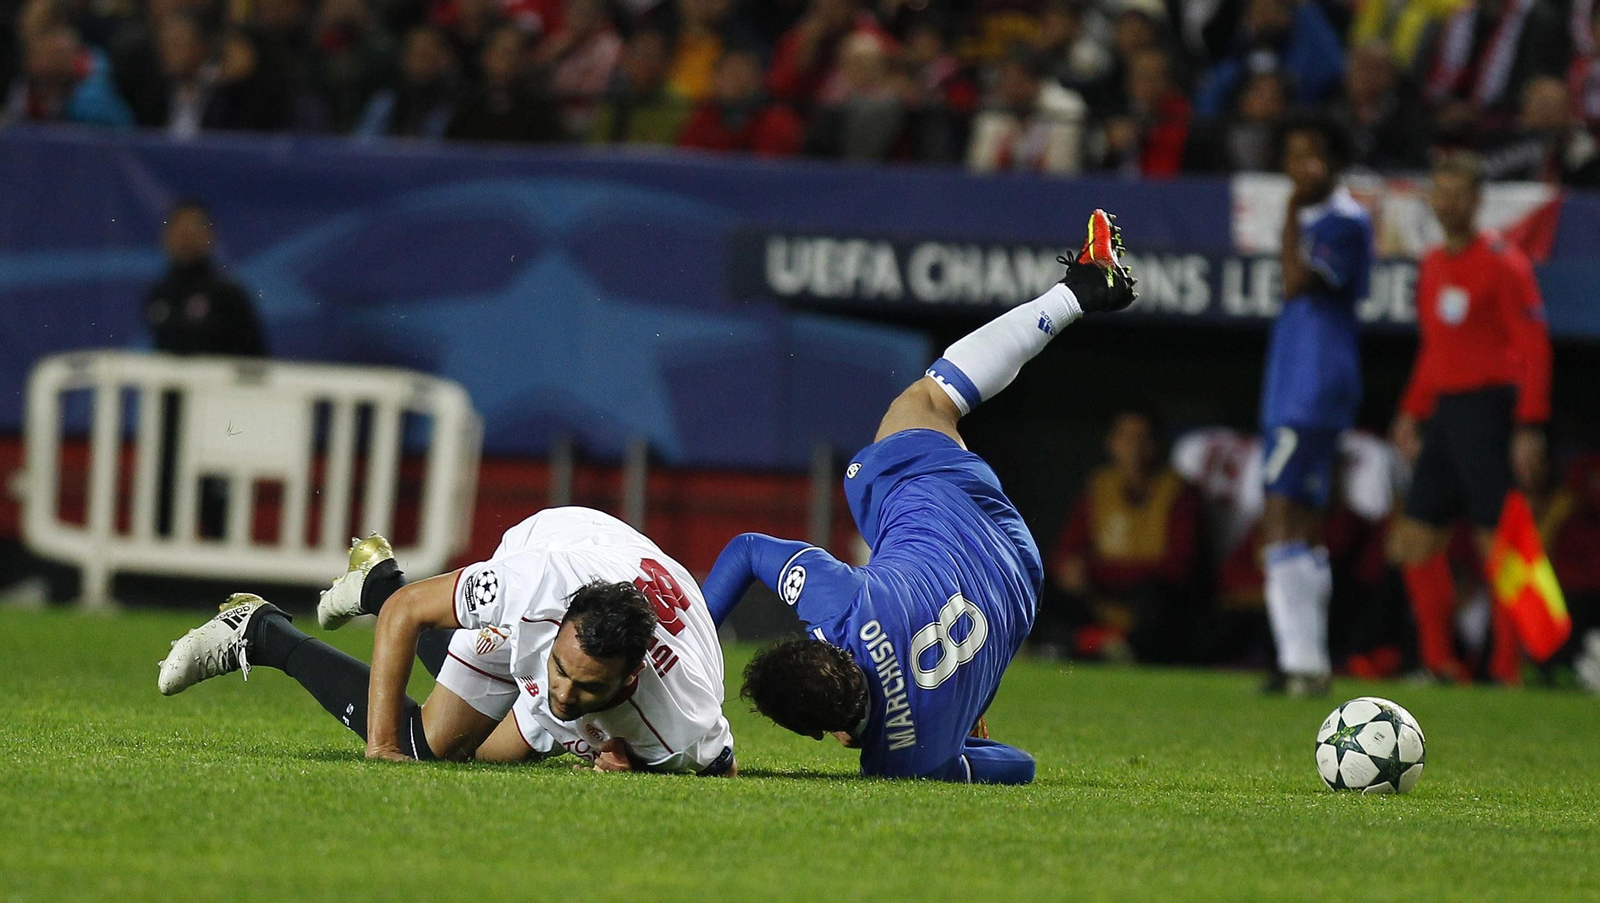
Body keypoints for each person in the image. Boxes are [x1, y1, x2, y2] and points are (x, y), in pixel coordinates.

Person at [700, 210, 1139, 784]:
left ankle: (969, 699)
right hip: (945, 514)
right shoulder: (841, 609)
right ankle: (1078, 292)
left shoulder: (903, 761)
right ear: (835, 655)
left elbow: (1021, 767)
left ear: (816, 734)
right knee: (930, 401)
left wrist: (951, 739)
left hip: (1018, 576)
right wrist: (691, 646)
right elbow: (747, 550)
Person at [157, 507, 737, 774]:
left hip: (630, 576)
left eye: (587, 687)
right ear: (557, 628)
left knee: (485, 753)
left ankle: (374, 578)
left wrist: (633, 761)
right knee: (423, 745)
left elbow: (722, 766)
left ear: (629, 678)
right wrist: (382, 748)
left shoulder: (680, 725)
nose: (560, 693)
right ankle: (261, 631)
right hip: (566, 536)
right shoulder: (531, 586)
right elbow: (409, 616)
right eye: (556, 669)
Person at [1388, 151, 1552, 685]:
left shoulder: (1505, 262)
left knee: (1501, 544)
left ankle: (1511, 667)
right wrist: (1412, 411)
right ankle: (1440, 664)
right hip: (1445, 414)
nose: (1447, 203)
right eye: (1440, 192)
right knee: (1414, 541)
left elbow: (1534, 348)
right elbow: (1433, 348)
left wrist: (1530, 425)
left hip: (1490, 411)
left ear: (1478, 201)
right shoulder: (1433, 263)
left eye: (1458, 193)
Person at [1257, 114, 1374, 696]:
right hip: (1303, 383)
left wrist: (1287, 215)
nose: (1302, 169)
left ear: (1333, 162)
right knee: (1303, 517)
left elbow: (1296, 282)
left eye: (1313, 156)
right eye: (1293, 156)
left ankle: (1296, 659)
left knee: (1281, 514)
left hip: (1310, 388)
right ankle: (1308, 661)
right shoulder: (1328, 218)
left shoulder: (1343, 222)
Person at [1046, 409, 1203, 663]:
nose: (1135, 449)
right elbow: (1067, 549)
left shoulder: (1179, 492)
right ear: (1112, 443)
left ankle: (1107, 646)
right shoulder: (1099, 485)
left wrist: (1099, 571)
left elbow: (1179, 568)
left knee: (1156, 603)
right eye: (1127, 439)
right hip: (1100, 593)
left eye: (1145, 439)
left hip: (1147, 597)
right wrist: (1071, 568)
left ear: (1159, 445)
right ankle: (1090, 644)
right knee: (1050, 590)